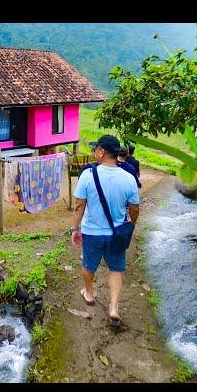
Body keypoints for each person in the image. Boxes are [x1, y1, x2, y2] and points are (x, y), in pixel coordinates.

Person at [71, 135, 140, 327]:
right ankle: (114, 308)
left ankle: (89, 293)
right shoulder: (129, 177)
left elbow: (79, 206)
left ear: (101, 152)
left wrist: (75, 229)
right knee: (116, 268)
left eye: (95, 150)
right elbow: (134, 208)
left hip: (92, 232)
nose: (94, 153)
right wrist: (131, 224)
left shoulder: (88, 175)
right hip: (117, 232)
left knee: (88, 265)